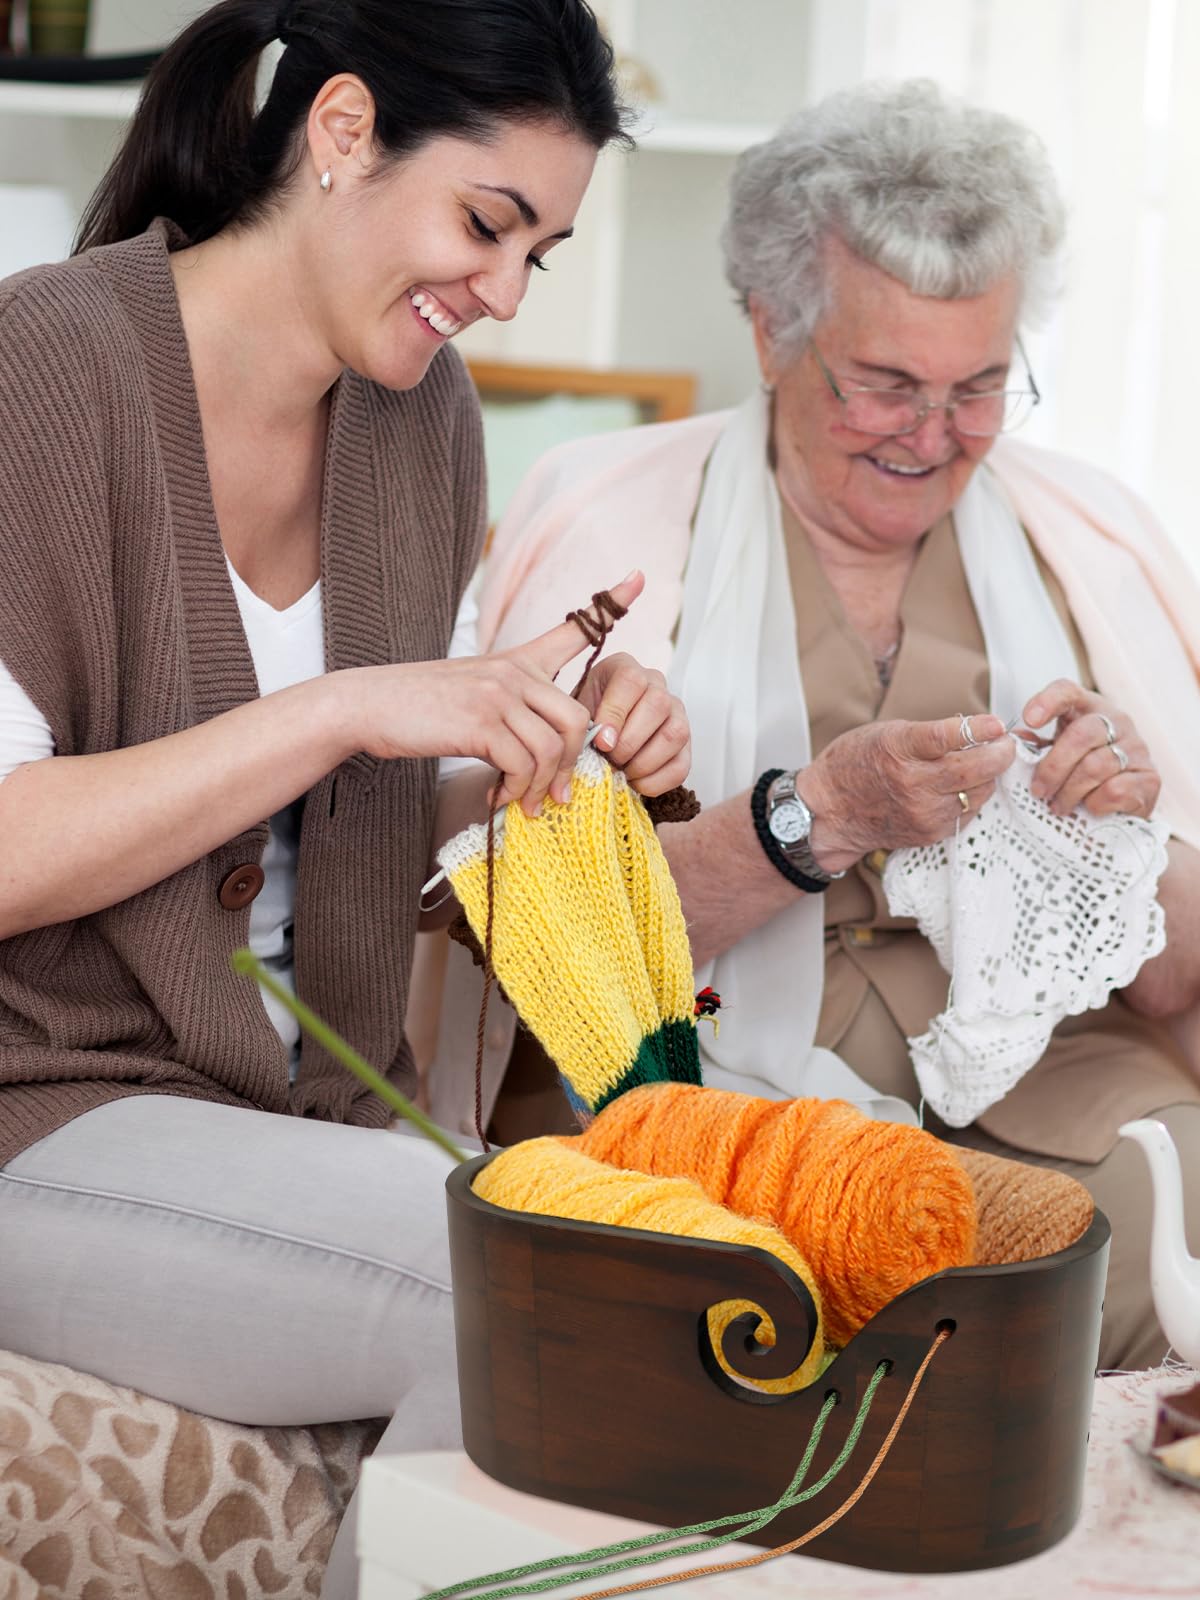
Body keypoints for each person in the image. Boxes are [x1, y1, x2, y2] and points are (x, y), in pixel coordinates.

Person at [0, 3, 690, 1593]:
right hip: (44, 1109)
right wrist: (348, 710)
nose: (505, 293)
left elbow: (377, 822)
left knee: (642, 1258)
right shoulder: (46, 368)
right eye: (488, 224)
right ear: (341, 134)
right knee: (532, 1296)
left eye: (545, 254)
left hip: (301, 1113)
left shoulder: (417, 416)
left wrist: (534, 743)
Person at [473, 80, 1200, 1371]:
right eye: (887, 384)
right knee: (737, 1279)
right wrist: (823, 817)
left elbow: (1194, 976)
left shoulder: (1097, 555)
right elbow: (537, 938)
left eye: (978, 387)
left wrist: (1123, 847)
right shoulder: (609, 535)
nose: (936, 436)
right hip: (713, 1079)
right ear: (769, 331)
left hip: (1040, 1077)